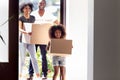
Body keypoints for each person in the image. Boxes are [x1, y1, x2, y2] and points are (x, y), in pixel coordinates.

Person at [28, 0, 59, 79]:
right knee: (32, 56)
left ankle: (44, 74)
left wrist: (53, 29)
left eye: (43, 3)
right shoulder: (33, 14)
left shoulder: (48, 14)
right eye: (40, 3)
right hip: (34, 38)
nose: (41, 4)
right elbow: (28, 23)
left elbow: (56, 21)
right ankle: (31, 74)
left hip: (43, 39)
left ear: (45, 4)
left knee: (43, 56)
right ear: (38, 4)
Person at [19, 2, 40, 80]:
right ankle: (20, 75)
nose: (27, 10)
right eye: (25, 8)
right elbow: (19, 28)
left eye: (29, 8)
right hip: (23, 40)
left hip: (31, 40)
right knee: (22, 59)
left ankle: (38, 75)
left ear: (31, 9)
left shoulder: (33, 18)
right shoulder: (21, 18)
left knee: (34, 58)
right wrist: (26, 32)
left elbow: (35, 27)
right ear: (23, 9)